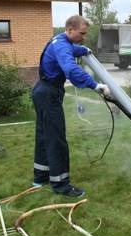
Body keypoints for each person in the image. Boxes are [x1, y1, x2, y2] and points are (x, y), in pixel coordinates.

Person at [31, 15, 110, 197]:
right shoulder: (61, 45)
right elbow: (70, 68)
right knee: (56, 138)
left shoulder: (61, 40)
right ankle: (61, 185)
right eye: (81, 33)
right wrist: (96, 85)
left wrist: (83, 50)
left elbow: (71, 49)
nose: (83, 36)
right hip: (48, 94)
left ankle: (40, 177)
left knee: (43, 135)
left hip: (43, 91)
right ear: (70, 30)